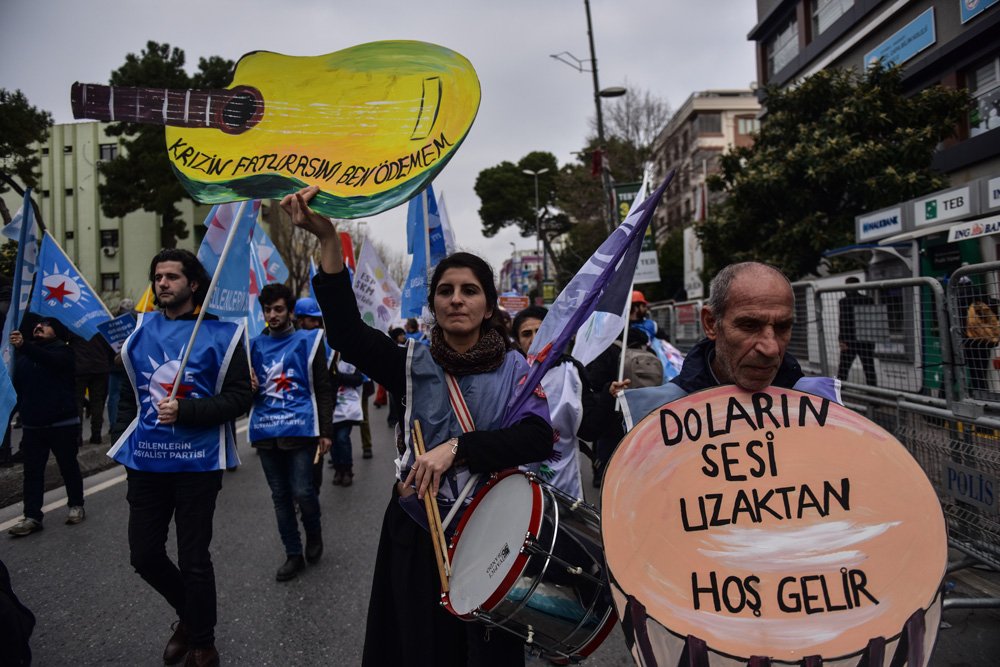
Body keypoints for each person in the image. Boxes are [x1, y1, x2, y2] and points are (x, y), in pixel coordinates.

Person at [283, 185, 553, 667]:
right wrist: (326, 238)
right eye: (445, 291)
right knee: (421, 649)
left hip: (496, 533)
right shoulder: (410, 363)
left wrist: (457, 449)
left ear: (489, 306)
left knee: (489, 654)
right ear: (433, 304)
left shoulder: (518, 369)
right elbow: (345, 332)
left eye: (469, 290)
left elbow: (536, 437)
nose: (456, 300)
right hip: (418, 530)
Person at [107, 248, 252, 667]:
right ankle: (190, 617)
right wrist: (122, 438)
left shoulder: (223, 335)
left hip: (196, 465)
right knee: (144, 555)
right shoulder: (139, 330)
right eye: (158, 277)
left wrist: (186, 410)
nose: (163, 283)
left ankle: (203, 643)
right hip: (146, 464)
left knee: (194, 560)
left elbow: (241, 397)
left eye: (172, 276)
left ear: (193, 283)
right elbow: (129, 395)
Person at [620, 262, 841, 430]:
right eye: (749, 326)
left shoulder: (821, 405)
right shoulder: (657, 418)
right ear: (710, 323)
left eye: (783, 327)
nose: (771, 349)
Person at [249, 283, 333, 581]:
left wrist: (325, 431)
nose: (272, 315)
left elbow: (323, 388)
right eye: (267, 310)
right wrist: (247, 387)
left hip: (301, 430)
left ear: (290, 312)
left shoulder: (309, 342)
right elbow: (241, 394)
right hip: (266, 433)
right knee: (280, 496)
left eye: (278, 309)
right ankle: (293, 553)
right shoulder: (253, 347)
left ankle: (314, 533)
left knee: (303, 491)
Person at [512, 306, 612, 499]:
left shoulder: (571, 371)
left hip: (566, 486)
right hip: (518, 486)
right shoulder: (509, 374)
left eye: (541, 331)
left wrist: (608, 396)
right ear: (517, 341)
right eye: (526, 334)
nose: (535, 338)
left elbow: (589, 429)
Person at [7, 315, 86, 536]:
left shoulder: (64, 352)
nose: (39, 326)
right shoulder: (24, 356)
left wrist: (23, 346)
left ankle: (76, 504)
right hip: (33, 425)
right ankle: (32, 516)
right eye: (38, 324)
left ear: (57, 332)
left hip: (62, 423)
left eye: (46, 325)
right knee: (32, 473)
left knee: (68, 467)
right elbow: (18, 387)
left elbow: (50, 360)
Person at [71, 332, 114, 444]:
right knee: (97, 402)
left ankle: (77, 436)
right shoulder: (99, 326)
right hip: (100, 366)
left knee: (77, 403)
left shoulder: (76, 326)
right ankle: (96, 435)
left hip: (80, 367)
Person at [836, 276, 877, 386]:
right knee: (869, 368)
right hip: (865, 340)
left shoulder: (843, 302)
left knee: (843, 369)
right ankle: (873, 393)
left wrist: (841, 340)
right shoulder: (868, 300)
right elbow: (872, 321)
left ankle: (838, 391)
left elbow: (843, 322)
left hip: (849, 340)